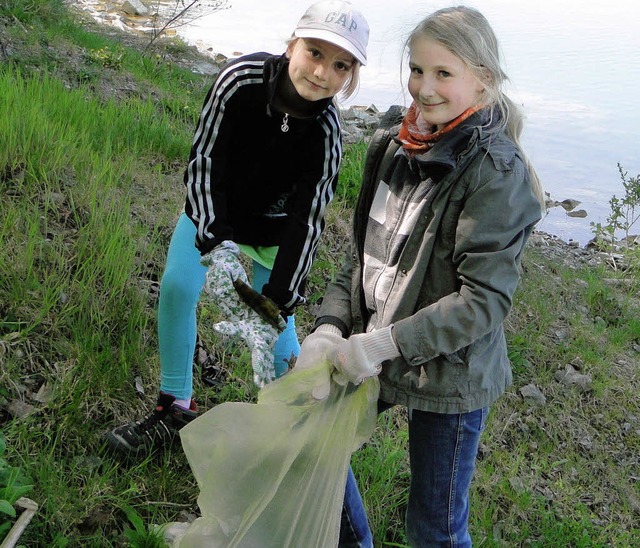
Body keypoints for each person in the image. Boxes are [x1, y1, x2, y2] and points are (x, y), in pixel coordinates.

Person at [295, 6, 545, 547]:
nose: (424, 88)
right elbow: (361, 257)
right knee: (312, 445)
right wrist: (329, 327)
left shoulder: (496, 174)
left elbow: (483, 303)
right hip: (372, 340)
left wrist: (384, 344)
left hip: (452, 369)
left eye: (443, 73)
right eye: (416, 70)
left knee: (435, 526)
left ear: (483, 80)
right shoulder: (393, 145)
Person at [106, 0, 369, 458]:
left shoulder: (327, 133)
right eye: (315, 53)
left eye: (340, 65)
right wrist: (217, 239)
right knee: (177, 288)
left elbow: (309, 219)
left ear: (350, 76)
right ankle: (174, 407)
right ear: (292, 46)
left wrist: (282, 295)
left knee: (276, 330)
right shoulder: (239, 81)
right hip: (215, 212)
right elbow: (205, 161)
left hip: (274, 230)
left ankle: (288, 431)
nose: (323, 71)